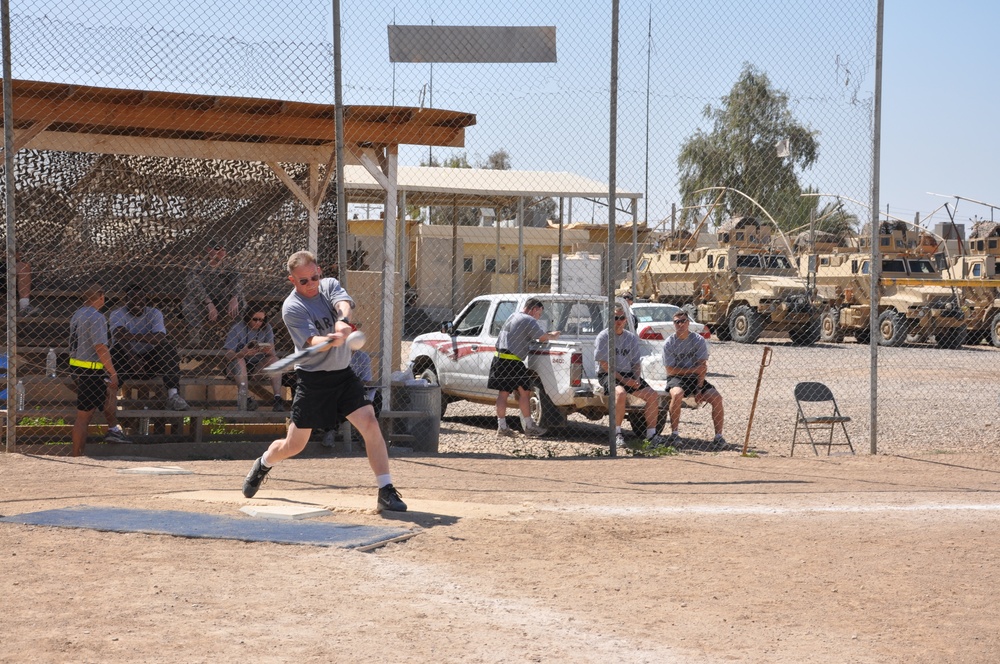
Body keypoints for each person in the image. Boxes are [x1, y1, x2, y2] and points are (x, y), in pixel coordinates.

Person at [241, 250, 406, 512]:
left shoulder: (328, 285)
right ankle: (264, 463)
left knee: (370, 423)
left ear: (319, 271)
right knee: (294, 445)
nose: (311, 284)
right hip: (313, 380)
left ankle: (385, 490)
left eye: (314, 277)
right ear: (292, 280)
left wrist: (342, 322)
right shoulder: (292, 307)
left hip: (342, 376)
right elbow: (311, 342)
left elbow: (343, 304)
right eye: (303, 281)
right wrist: (330, 339)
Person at [69, 283, 131, 456]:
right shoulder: (97, 317)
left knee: (93, 409)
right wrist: (112, 372)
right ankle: (76, 455)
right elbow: (100, 347)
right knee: (83, 417)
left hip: (78, 367)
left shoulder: (77, 314)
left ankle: (112, 430)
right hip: (91, 369)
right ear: (101, 297)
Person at [595, 303, 666, 449]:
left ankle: (651, 434)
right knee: (620, 393)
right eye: (615, 318)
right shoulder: (604, 337)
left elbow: (636, 363)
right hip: (608, 374)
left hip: (628, 374)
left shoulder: (631, 338)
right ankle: (617, 433)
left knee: (652, 395)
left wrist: (635, 379)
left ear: (626, 320)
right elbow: (604, 364)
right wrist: (623, 380)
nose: (619, 321)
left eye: (621, 318)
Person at [487, 297, 560, 438]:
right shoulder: (528, 319)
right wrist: (554, 335)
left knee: (504, 393)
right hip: (513, 360)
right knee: (525, 392)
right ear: (534, 309)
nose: (538, 318)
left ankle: (502, 426)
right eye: (539, 314)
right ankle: (529, 426)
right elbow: (542, 337)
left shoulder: (513, 315)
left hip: (500, 358)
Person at [109, 286, 189, 411]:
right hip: (127, 360)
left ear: (146, 300)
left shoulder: (154, 313)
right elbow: (119, 335)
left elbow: (159, 338)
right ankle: (110, 396)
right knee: (116, 350)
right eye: (133, 298)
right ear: (126, 300)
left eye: (141, 298)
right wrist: (132, 357)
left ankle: (173, 395)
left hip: (149, 362)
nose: (137, 302)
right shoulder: (117, 313)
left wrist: (130, 336)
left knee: (168, 347)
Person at [661, 308, 725, 447]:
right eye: (677, 322)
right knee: (677, 394)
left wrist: (699, 388)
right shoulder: (669, 343)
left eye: (683, 321)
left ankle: (719, 437)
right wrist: (692, 369)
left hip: (696, 378)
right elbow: (670, 371)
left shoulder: (698, 340)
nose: (680, 324)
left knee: (717, 398)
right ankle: (675, 434)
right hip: (676, 378)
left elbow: (702, 367)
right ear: (674, 324)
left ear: (688, 322)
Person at [223, 308, 284, 412]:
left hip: (256, 367)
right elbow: (228, 355)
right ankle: (246, 399)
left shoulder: (266, 328)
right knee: (240, 360)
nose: (259, 322)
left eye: (262, 320)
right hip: (236, 368)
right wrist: (242, 353)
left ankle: (277, 399)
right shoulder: (237, 328)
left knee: (275, 360)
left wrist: (267, 350)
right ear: (247, 318)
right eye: (255, 319)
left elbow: (272, 353)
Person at [183, 240, 244, 342]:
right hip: (203, 302)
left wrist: (234, 297)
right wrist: (208, 302)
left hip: (222, 301)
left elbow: (238, 280)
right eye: (217, 249)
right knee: (189, 301)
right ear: (208, 249)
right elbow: (193, 284)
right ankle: (195, 338)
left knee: (240, 301)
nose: (221, 252)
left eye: (224, 249)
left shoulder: (228, 266)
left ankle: (238, 338)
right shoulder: (198, 265)